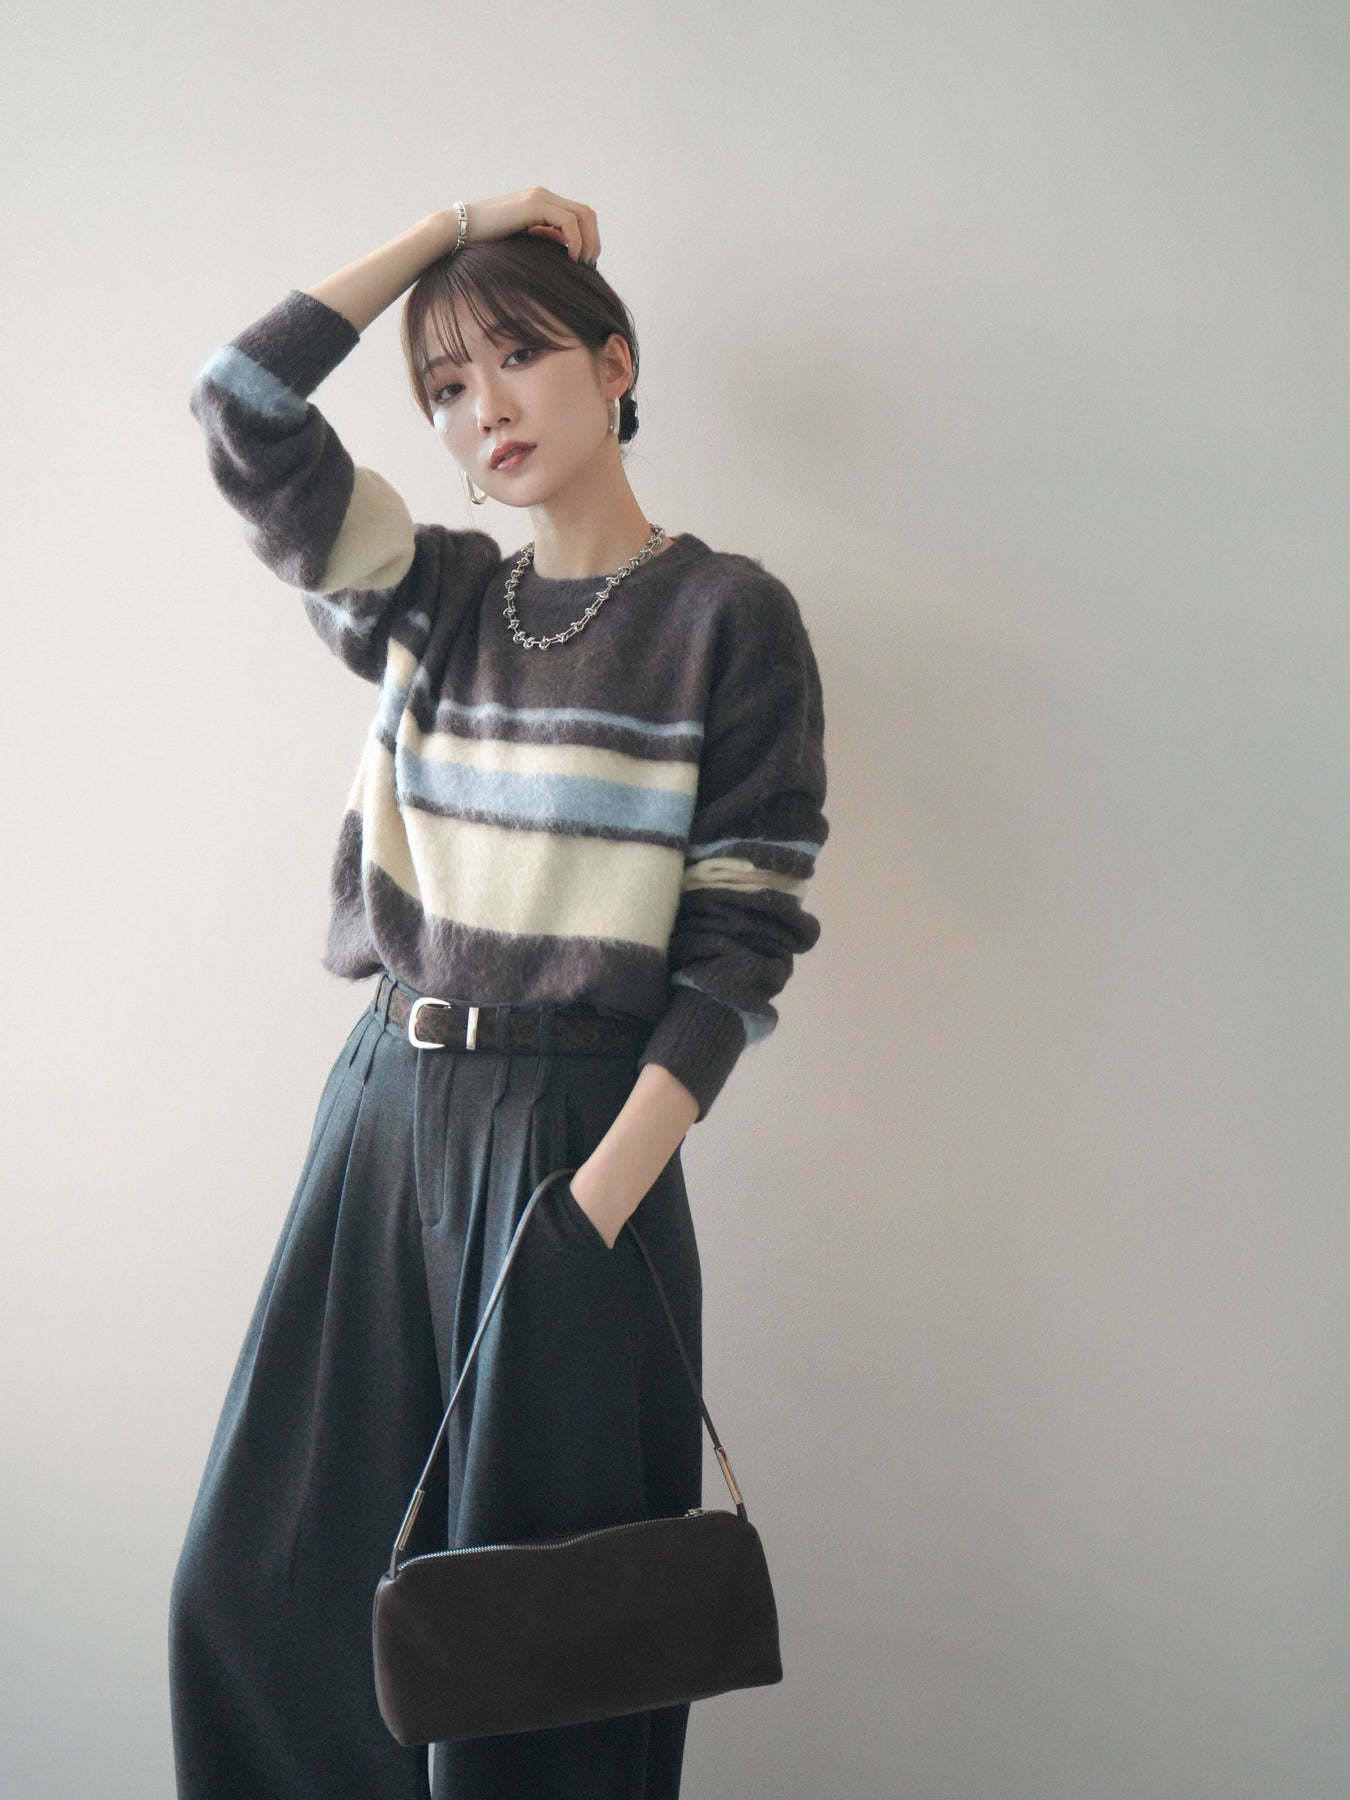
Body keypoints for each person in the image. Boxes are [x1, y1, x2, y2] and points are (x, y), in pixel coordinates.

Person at [167, 187, 829, 1800]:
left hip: (578, 1142)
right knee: (258, 1594)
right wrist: (450, 226)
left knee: (532, 1655)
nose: (485, 411)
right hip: (382, 1118)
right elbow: (242, 402)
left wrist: (595, 1200)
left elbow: (739, 943)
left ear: (614, 365)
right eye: (446, 387)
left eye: (518, 356)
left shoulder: (725, 620)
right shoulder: (431, 593)